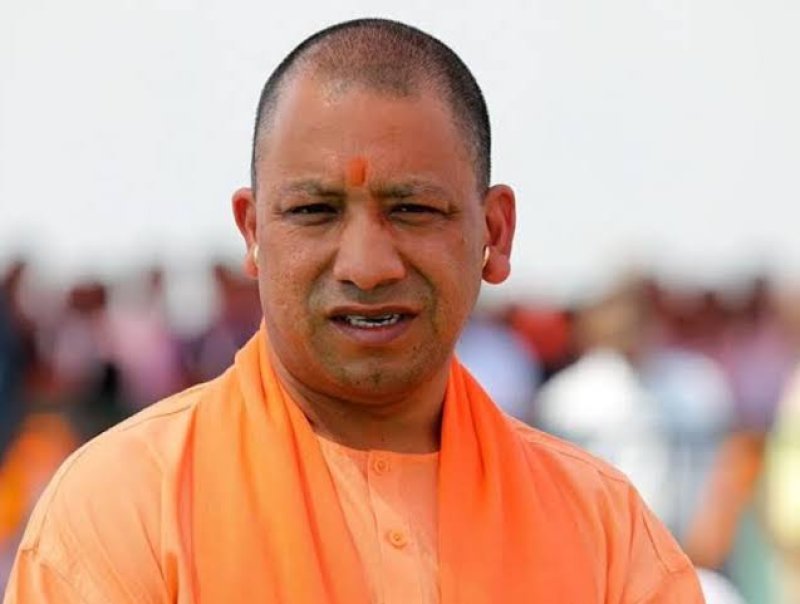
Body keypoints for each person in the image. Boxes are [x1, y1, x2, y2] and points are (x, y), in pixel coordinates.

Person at [3, 18, 703, 603]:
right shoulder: (126, 505)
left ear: (495, 232)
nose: (366, 266)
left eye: (413, 209)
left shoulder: (602, 530)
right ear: (252, 233)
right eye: (315, 210)